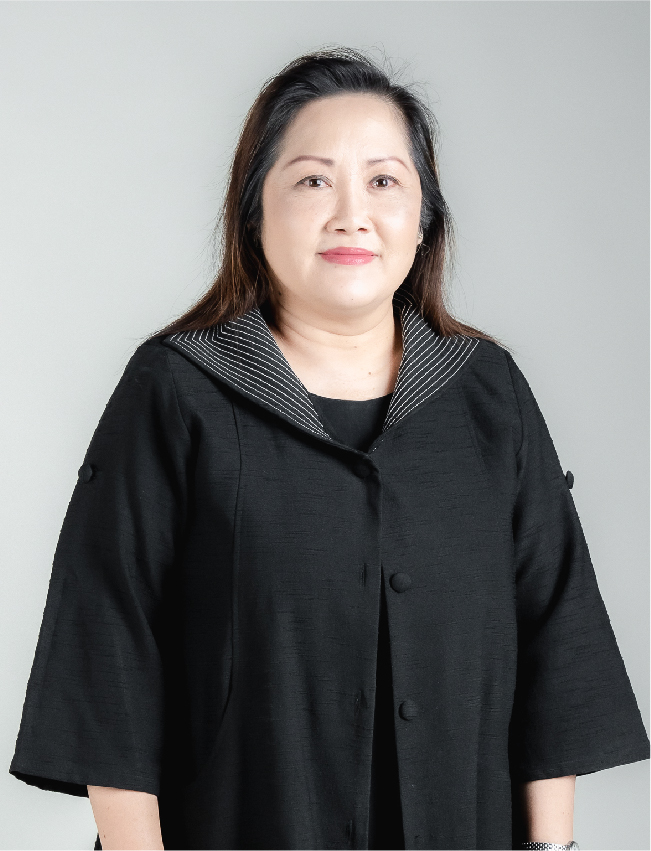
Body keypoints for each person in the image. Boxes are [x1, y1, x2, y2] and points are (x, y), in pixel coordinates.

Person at [9, 46, 649, 851]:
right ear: (254, 210)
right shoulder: (177, 391)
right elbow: (105, 646)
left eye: (383, 181)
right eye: (313, 181)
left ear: (424, 217)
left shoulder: (487, 395)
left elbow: (556, 636)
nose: (352, 214)